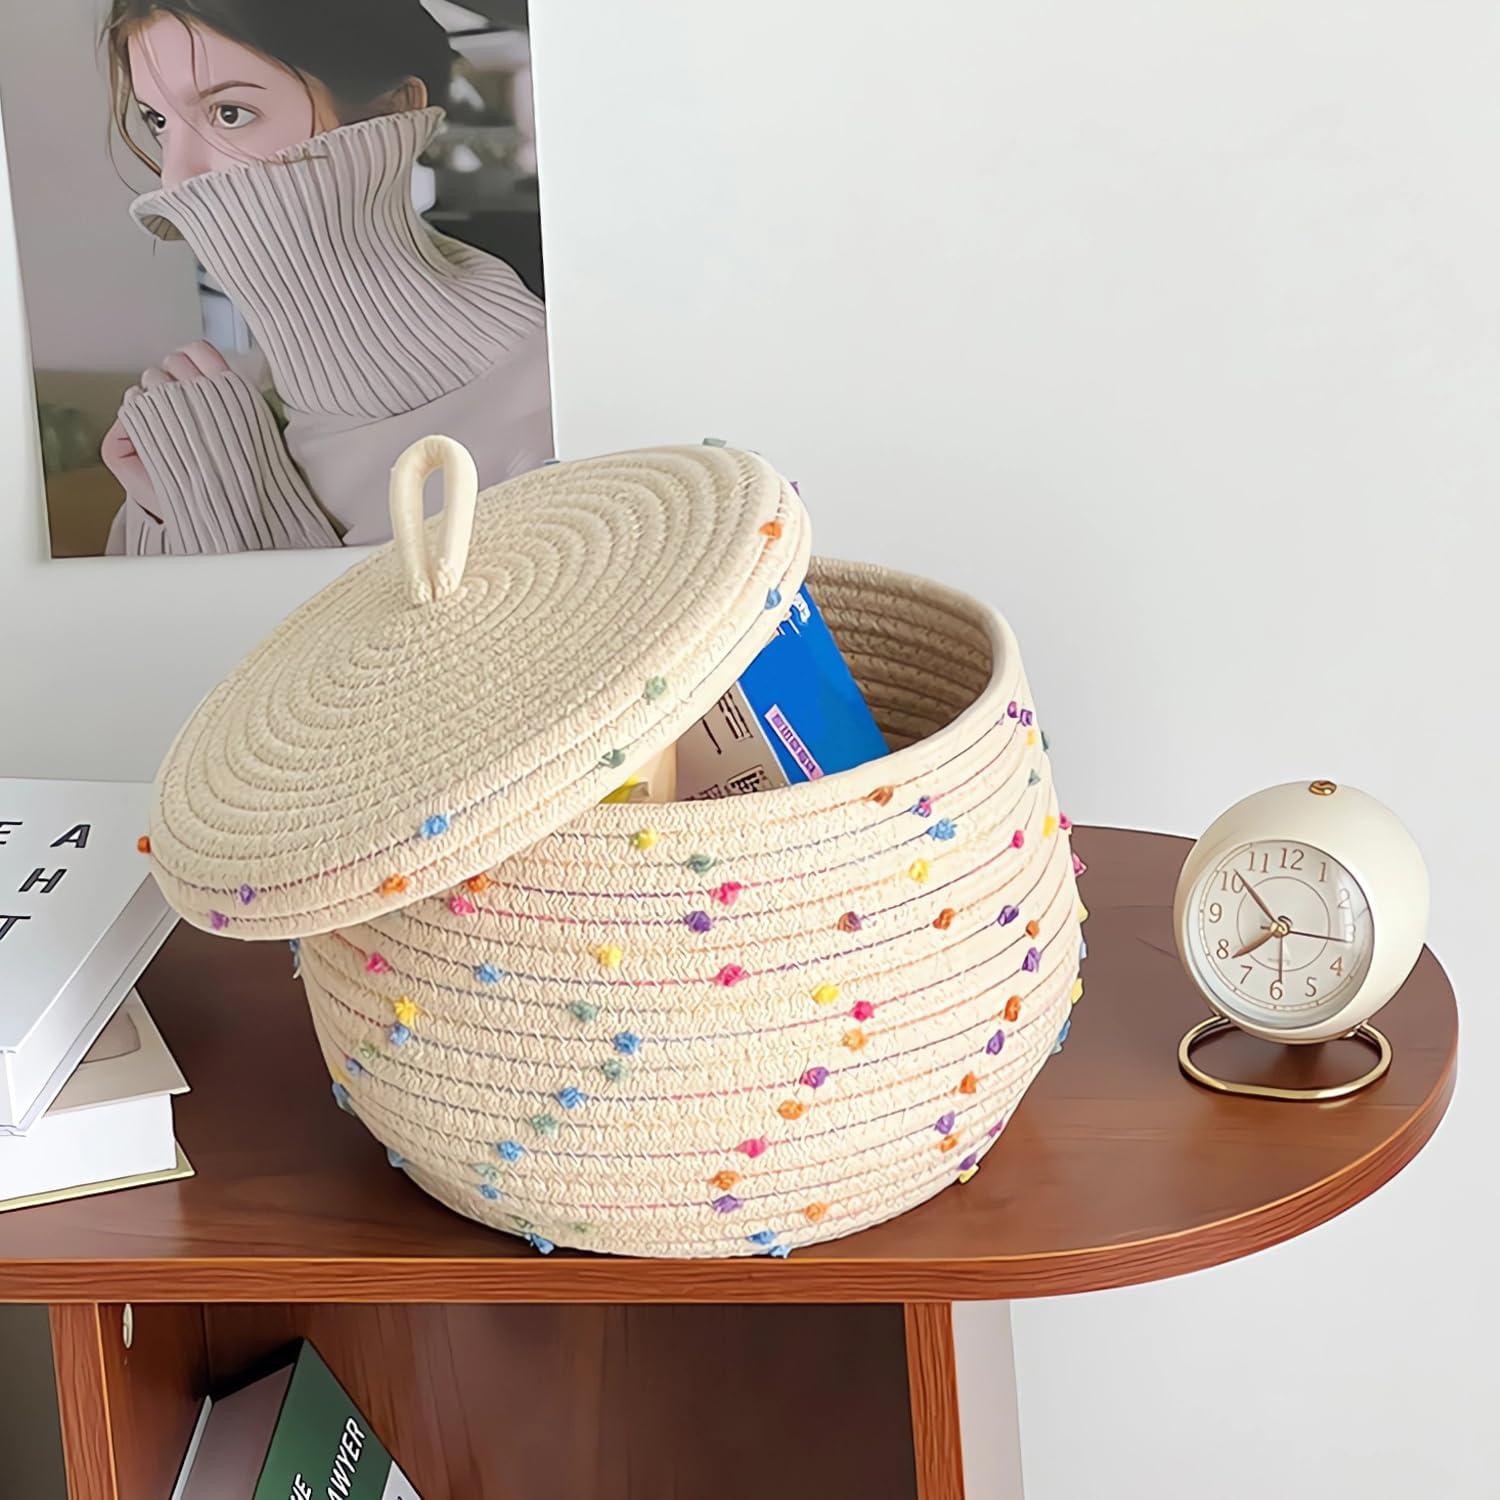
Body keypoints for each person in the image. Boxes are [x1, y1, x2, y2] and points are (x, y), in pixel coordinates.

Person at [100, 0, 553, 555]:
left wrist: (230, 512)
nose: (175, 176)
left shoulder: (556, 405)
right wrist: (166, 508)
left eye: (230, 113)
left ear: (391, 112)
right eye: (159, 122)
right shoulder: (211, 418)